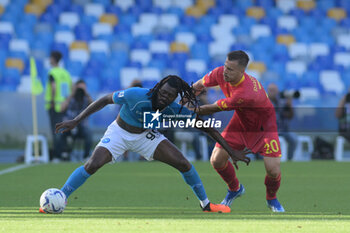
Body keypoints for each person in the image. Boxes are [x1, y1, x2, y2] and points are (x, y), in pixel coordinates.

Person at [41, 75, 249, 214]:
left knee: (184, 163)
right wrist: (76, 120)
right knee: (92, 165)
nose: (164, 98)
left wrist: (230, 150)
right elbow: (105, 100)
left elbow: (206, 127)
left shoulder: (173, 108)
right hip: (119, 133)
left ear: (174, 99)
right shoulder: (137, 95)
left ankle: (205, 205)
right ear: (158, 88)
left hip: (146, 136)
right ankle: (61, 197)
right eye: (162, 93)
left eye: (169, 96)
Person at [190, 50, 285, 212]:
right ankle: (235, 189)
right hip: (241, 122)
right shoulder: (220, 72)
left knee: (273, 170)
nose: (225, 72)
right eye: (226, 66)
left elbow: (211, 108)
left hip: (264, 127)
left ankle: (272, 198)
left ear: (242, 72)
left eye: (230, 69)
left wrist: (187, 110)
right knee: (216, 160)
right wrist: (188, 95)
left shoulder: (245, 93)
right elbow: (198, 85)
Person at [45, 51, 72, 161]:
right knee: (62, 130)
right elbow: (68, 90)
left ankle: (57, 155)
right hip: (64, 106)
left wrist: (52, 101)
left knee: (55, 131)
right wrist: (66, 102)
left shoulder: (52, 73)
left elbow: (54, 87)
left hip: (54, 106)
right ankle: (65, 153)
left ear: (53, 59)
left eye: (50, 58)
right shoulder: (65, 73)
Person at [59, 80, 93, 161]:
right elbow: (61, 108)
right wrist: (72, 94)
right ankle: (64, 153)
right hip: (69, 124)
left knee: (88, 134)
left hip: (82, 125)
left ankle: (86, 156)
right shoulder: (70, 97)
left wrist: (86, 93)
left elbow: (94, 105)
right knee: (61, 133)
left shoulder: (86, 98)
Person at [267, 83, 297, 161]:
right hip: (268, 131)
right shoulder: (264, 102)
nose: (272, 92)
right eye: (270, 90)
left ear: (277, 91)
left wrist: (290, 106)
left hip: (283, 130)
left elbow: (290, 116)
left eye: (274, 90)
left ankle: (289, 159)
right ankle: (263, 159)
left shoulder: (281, 102)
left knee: (293, 139)